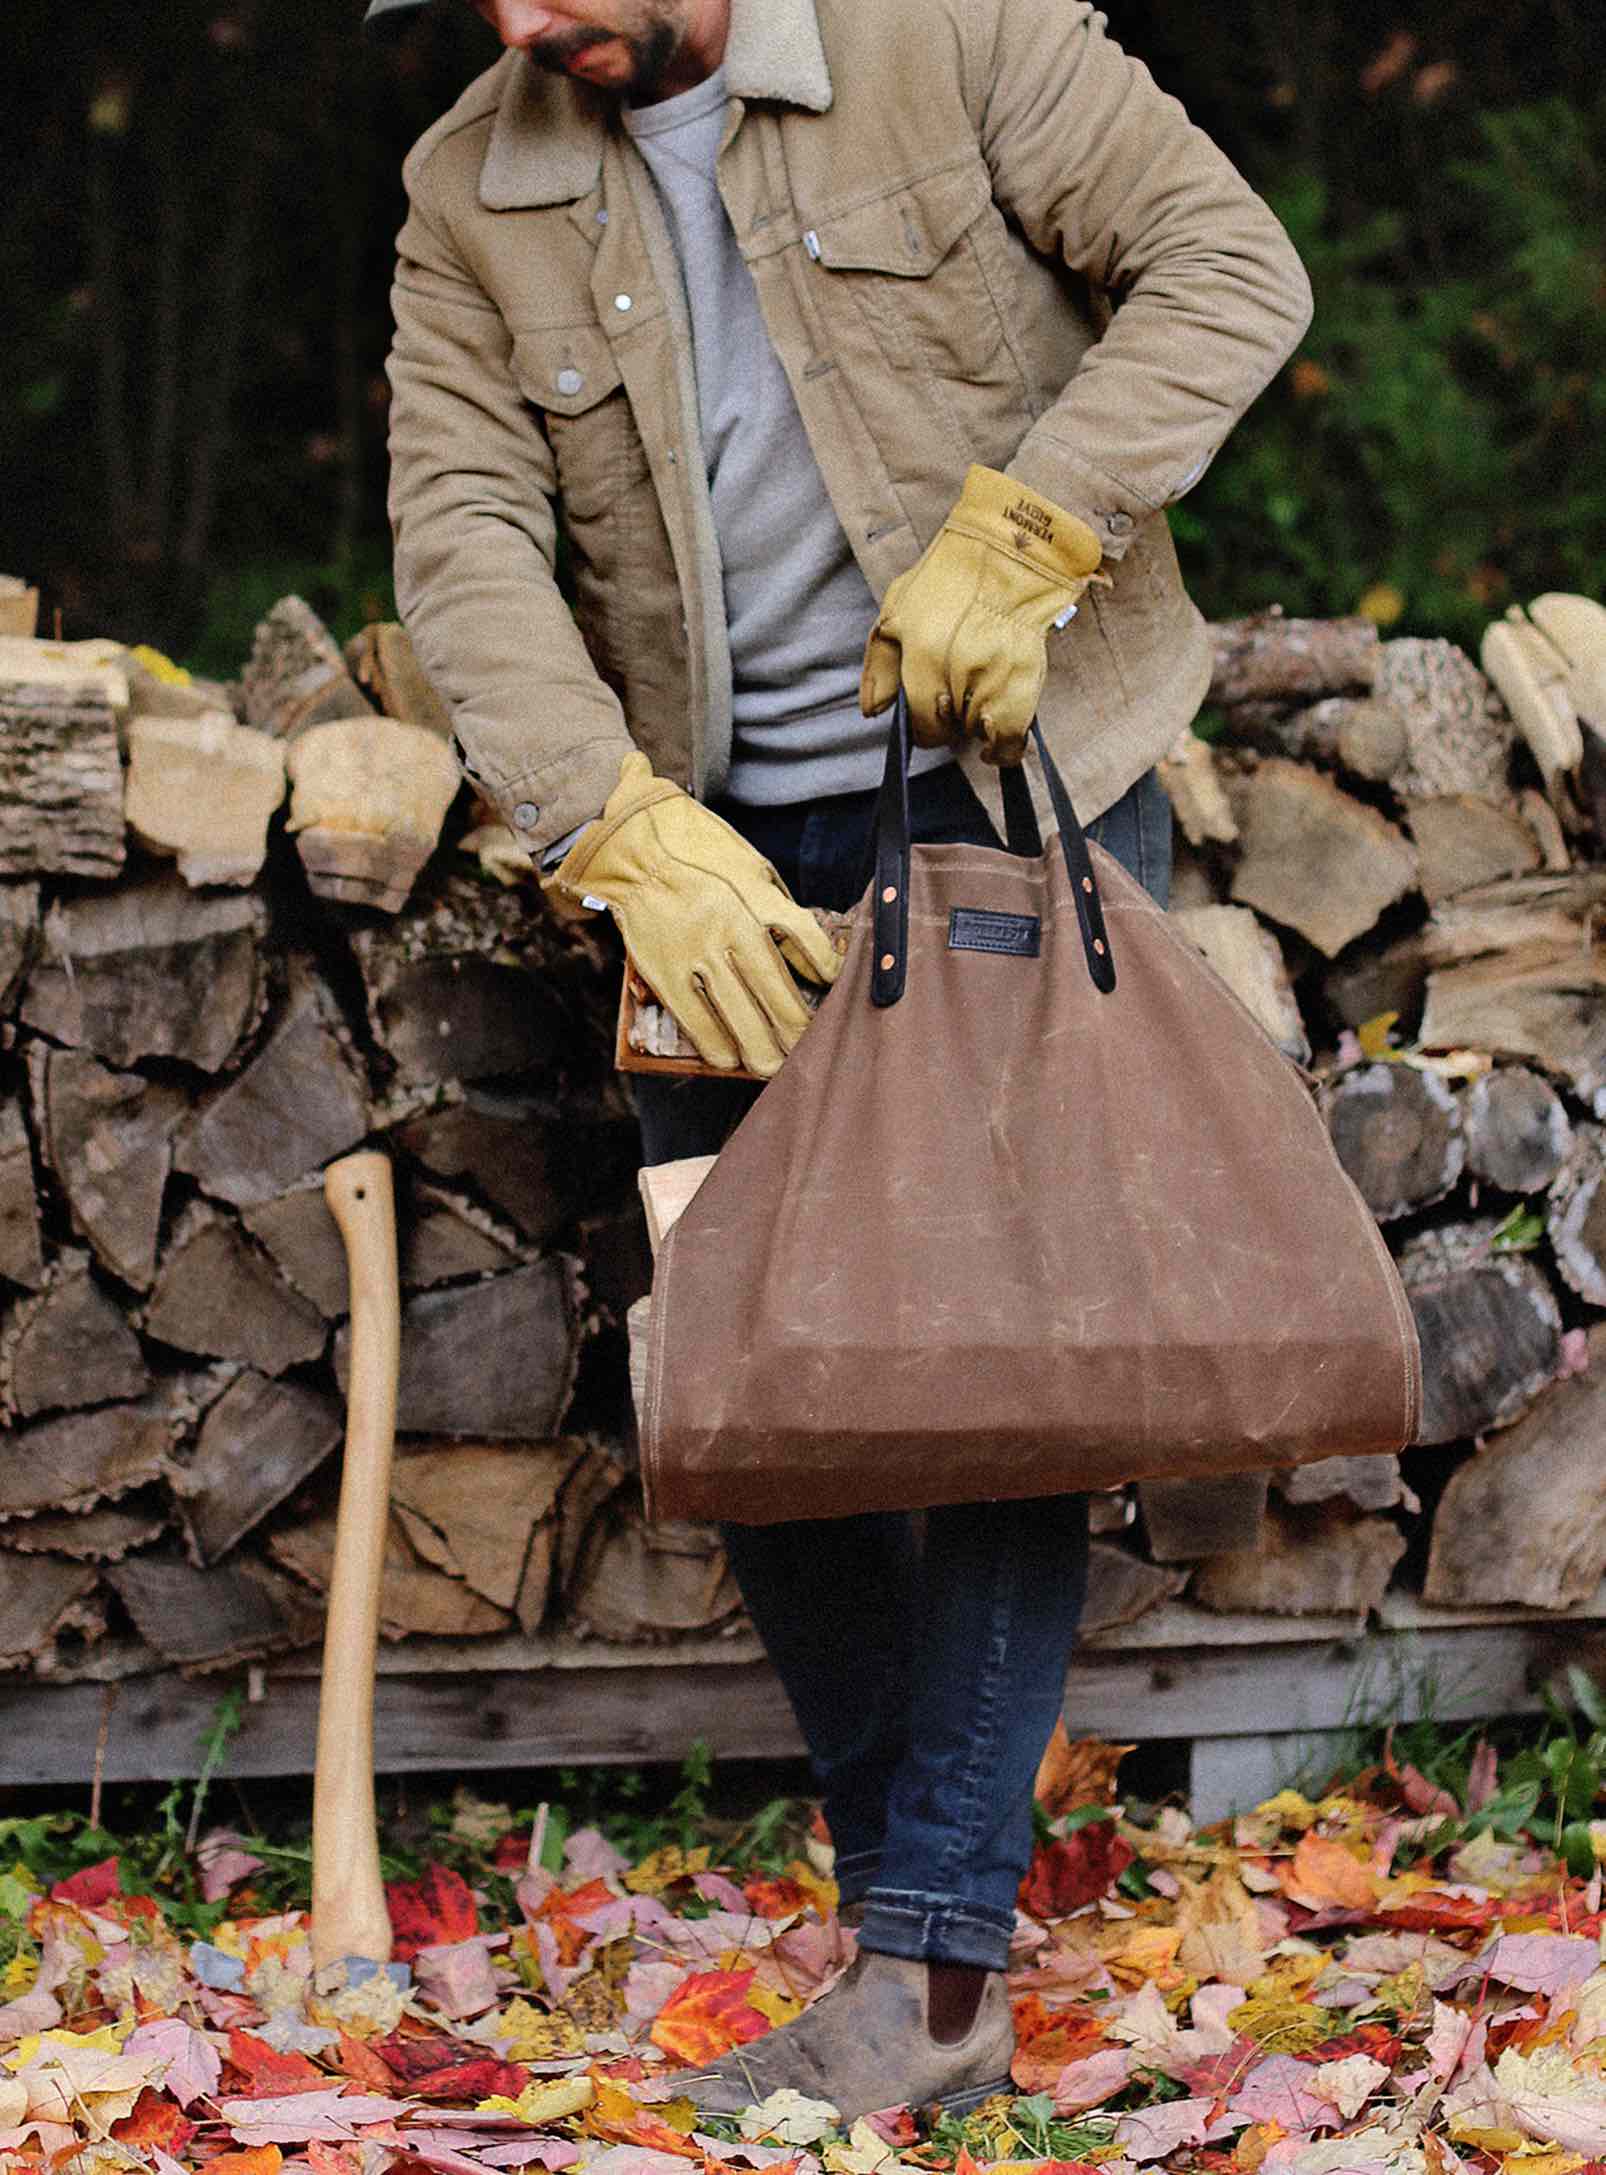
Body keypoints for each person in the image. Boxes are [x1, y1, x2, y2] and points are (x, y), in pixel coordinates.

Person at [373, 0, 1313, 2118]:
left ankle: (931, 1973)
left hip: (1000, 801)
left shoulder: (957, 34)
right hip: (709, 856)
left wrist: (1032, 526)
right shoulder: (466, 188)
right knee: (755, 1382)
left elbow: (1228, 263)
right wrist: (603, 817)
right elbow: (462, 536)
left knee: (1003, 1383)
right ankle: (929, 1912)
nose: (532, 28)